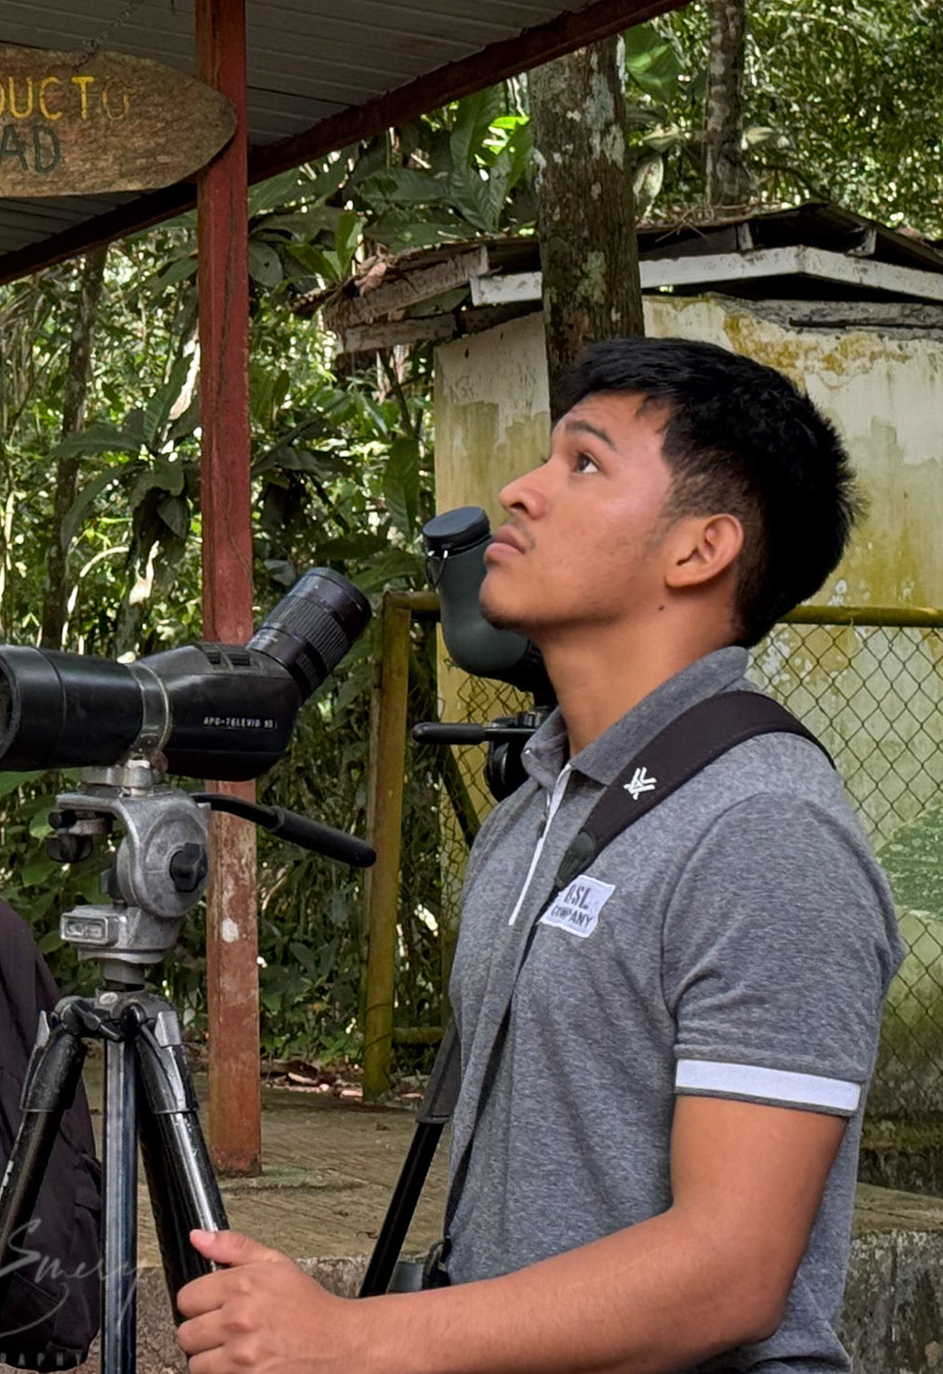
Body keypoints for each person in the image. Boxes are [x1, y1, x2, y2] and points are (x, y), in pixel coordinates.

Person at [174, 338, 903, 1374]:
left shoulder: (763, 826)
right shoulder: (536, 806)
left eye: (585, 462)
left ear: (699, 548)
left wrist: (353, 1336)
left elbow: (732, 1267)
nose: (521, 490)